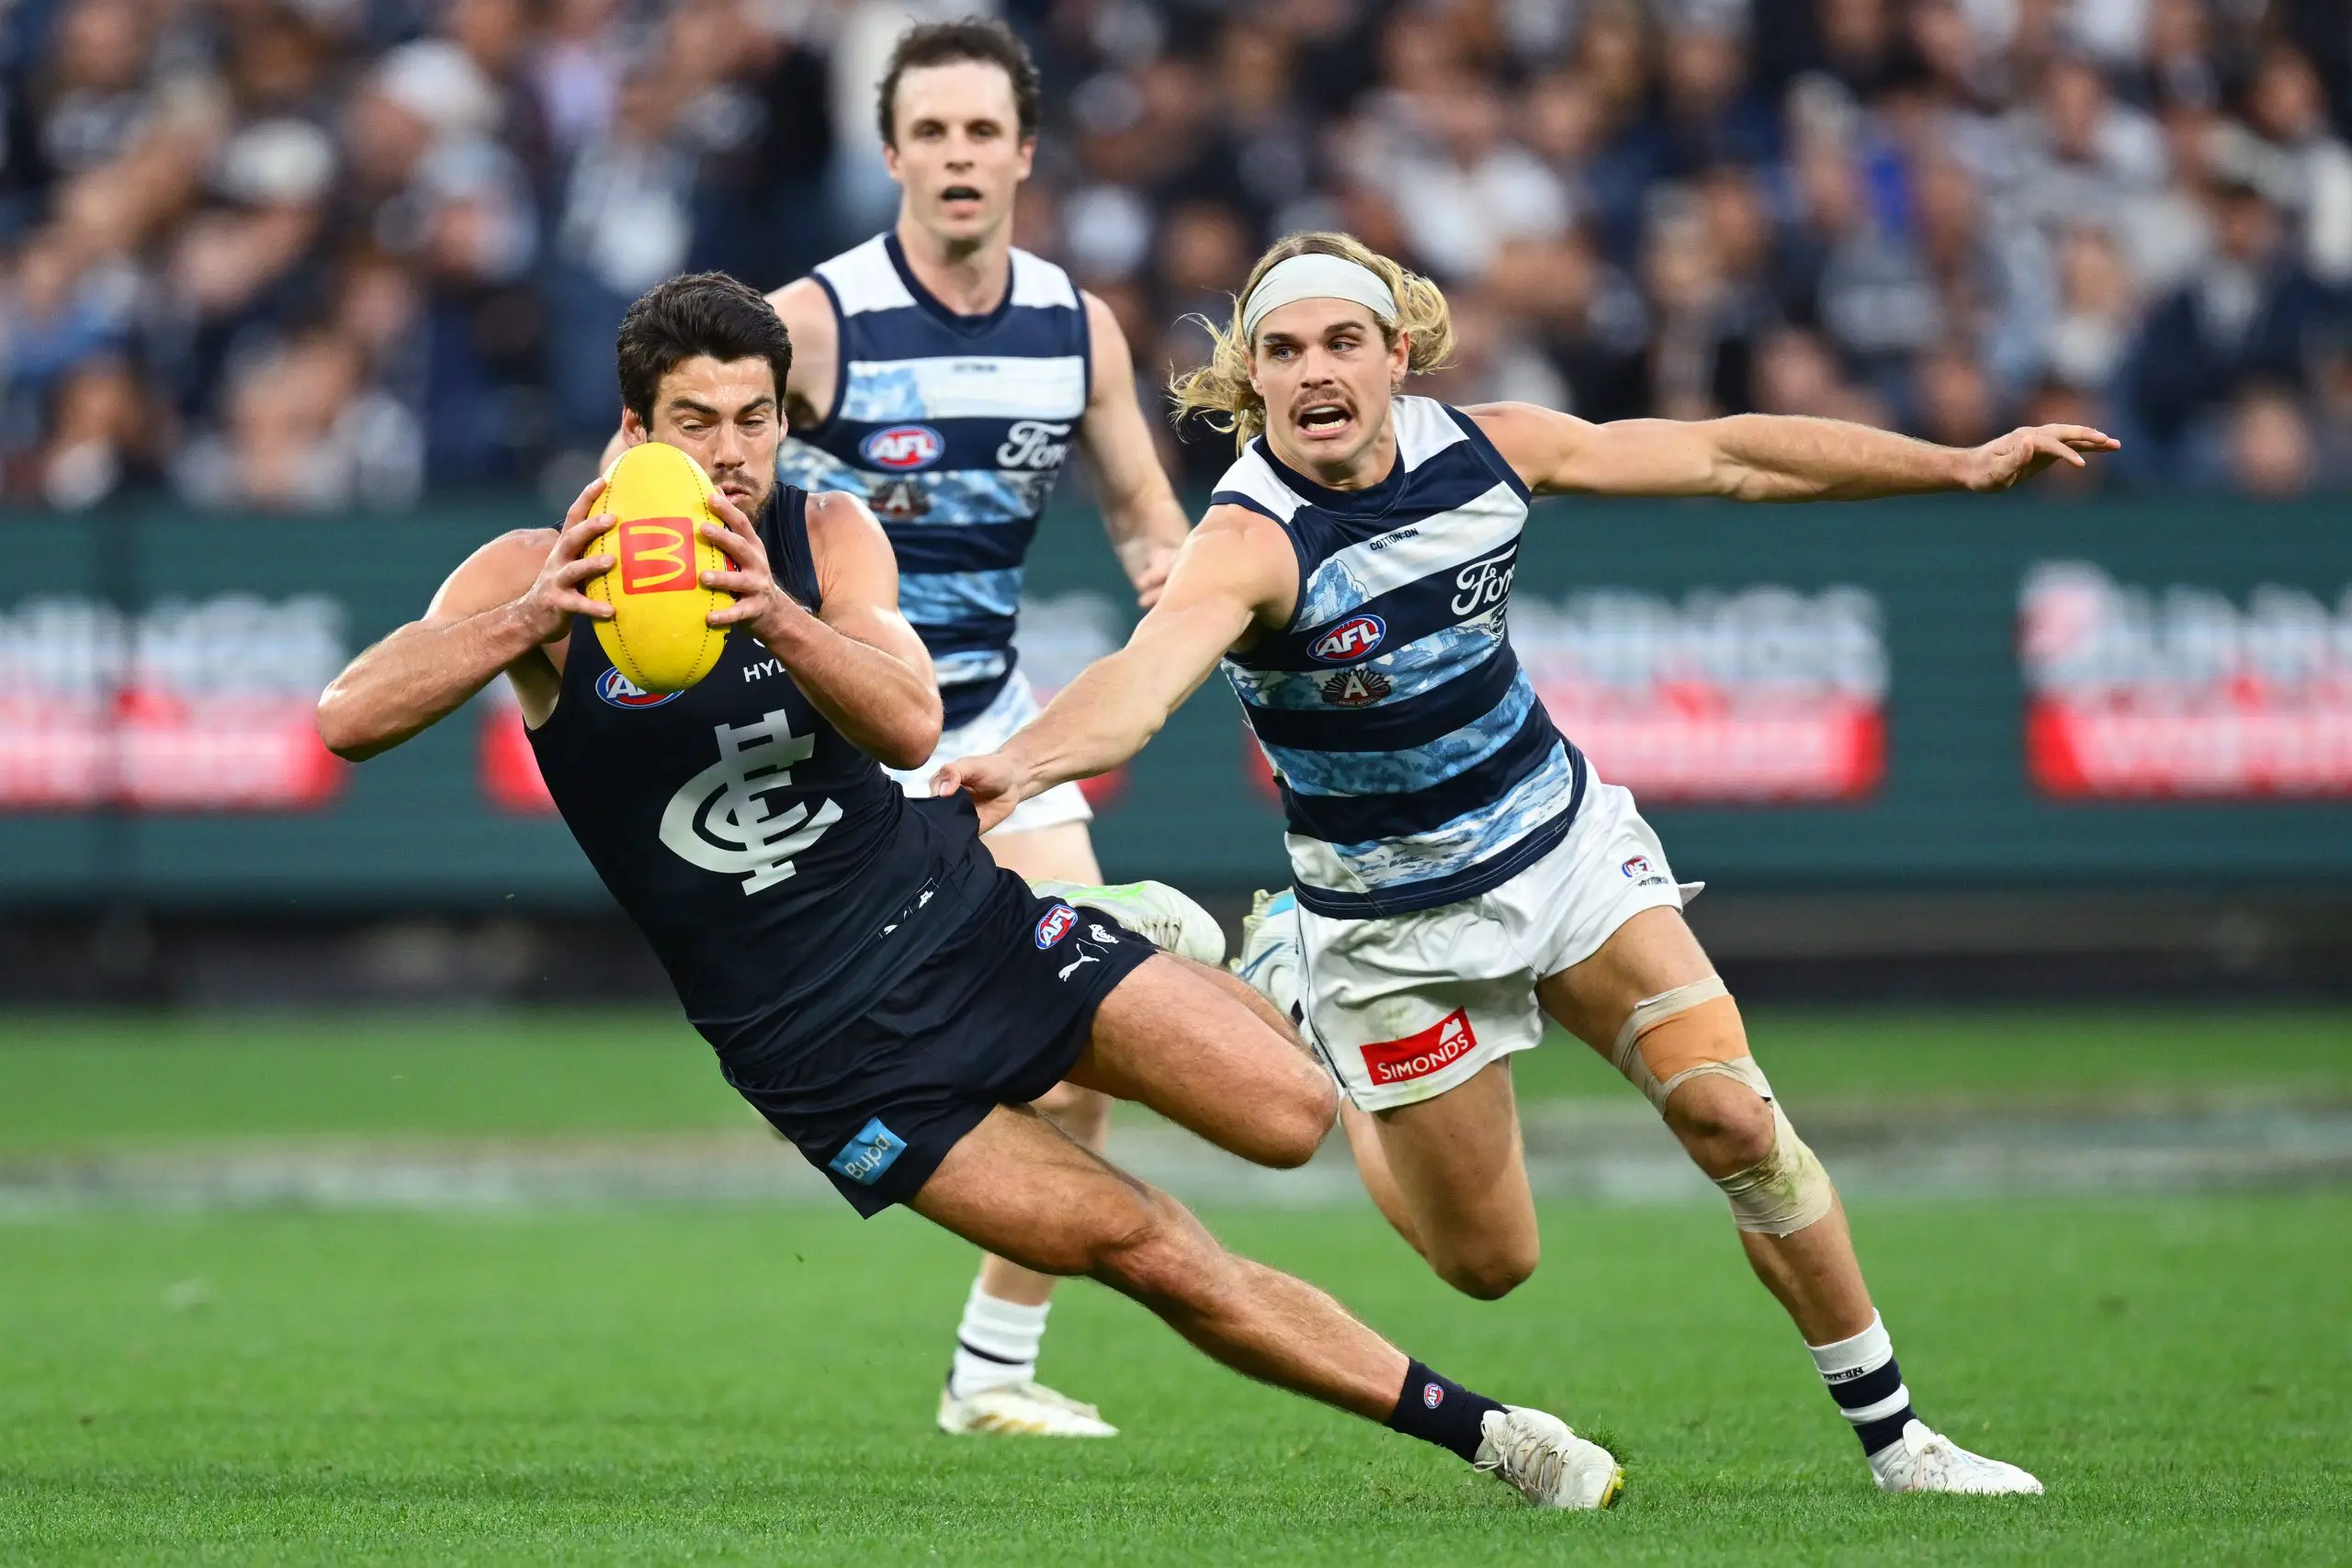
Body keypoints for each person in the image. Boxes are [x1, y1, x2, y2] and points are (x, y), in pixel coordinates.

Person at [321, 271, 1624, 1511]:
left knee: (1292, 1117)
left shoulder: (819, 533)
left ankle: (1256, 963)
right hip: (823, 1050)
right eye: (695, 423)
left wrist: (774, 613)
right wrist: (528, 616)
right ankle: (1494, 1435)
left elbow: (907, 718)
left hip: (960, 916)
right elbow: (348, 717)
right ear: (634, 430)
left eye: (754, 419)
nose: (730, 453)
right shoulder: (527, 574)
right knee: (1145, 1247)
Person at [934, 232, 2122, 1496]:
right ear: (1254, 381)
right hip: (1390, 927)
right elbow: (1134, 691)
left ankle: (1901, 1442)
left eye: (1343, 341)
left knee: (1735, 1118)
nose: (1314, 372)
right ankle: (1307, 1001)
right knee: (1490, 1262)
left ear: (1399, 357)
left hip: (1560, 849)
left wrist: (1956, 461)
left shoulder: (1489, 448)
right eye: (1283, 351)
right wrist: (1012, 766)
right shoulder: (1249, 538)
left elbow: (1728, 454)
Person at [600, 18, 1192, 1436]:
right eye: (931, 132)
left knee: (1089, 1054)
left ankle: (991, 1375)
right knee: (1064, 1001)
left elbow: (1140, 514)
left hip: (989, 711)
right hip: (847, 721)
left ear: (1025, 151)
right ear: (891, 154)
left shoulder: (1077, 325)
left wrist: (1178, 584)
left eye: (982, 131)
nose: (958, 156)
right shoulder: (818, 320)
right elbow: (648, 470)